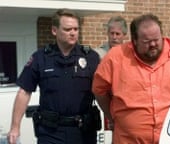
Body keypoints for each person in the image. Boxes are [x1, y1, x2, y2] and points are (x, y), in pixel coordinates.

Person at [92, 13, 170, 144]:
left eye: (157, 39)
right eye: (146, 41)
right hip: (128, 140)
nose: (153, 44)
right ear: (134, 41)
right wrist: (113, 117)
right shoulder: (116, 57)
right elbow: (99, 90)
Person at [7, 9, 100, 144]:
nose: (73, 33)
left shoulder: (90, 57)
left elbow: (101, 91)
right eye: (68, 29)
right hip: (51, 132)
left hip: (83, 132)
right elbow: (24, 92)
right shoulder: (41, 58)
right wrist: (15, 127)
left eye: (75, 29)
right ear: (54, 31)